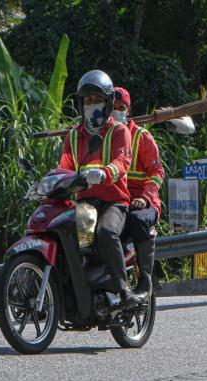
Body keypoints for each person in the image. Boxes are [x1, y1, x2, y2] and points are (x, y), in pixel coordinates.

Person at [58, 70, 142, 309]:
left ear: (107, 104)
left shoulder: (118, 131)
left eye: (96, 100)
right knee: (71, 238)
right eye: (87, 101)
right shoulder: (74, 136)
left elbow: (122, 162)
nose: (91, 106)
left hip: (114, 202)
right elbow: (64, 167)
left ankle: (123, 289)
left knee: (105, 232)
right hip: (85, 203)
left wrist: (104, 173)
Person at [112, 86, 164, 299]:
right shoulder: (103, 137)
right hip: (116, 201)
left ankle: (145, 278)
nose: (117, 112)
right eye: (112, 108)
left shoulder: (142, 137)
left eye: (121, 108)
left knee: (136, 221)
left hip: (144, 201)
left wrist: (145, 197)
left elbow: (157, 172)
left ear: (128, 110)